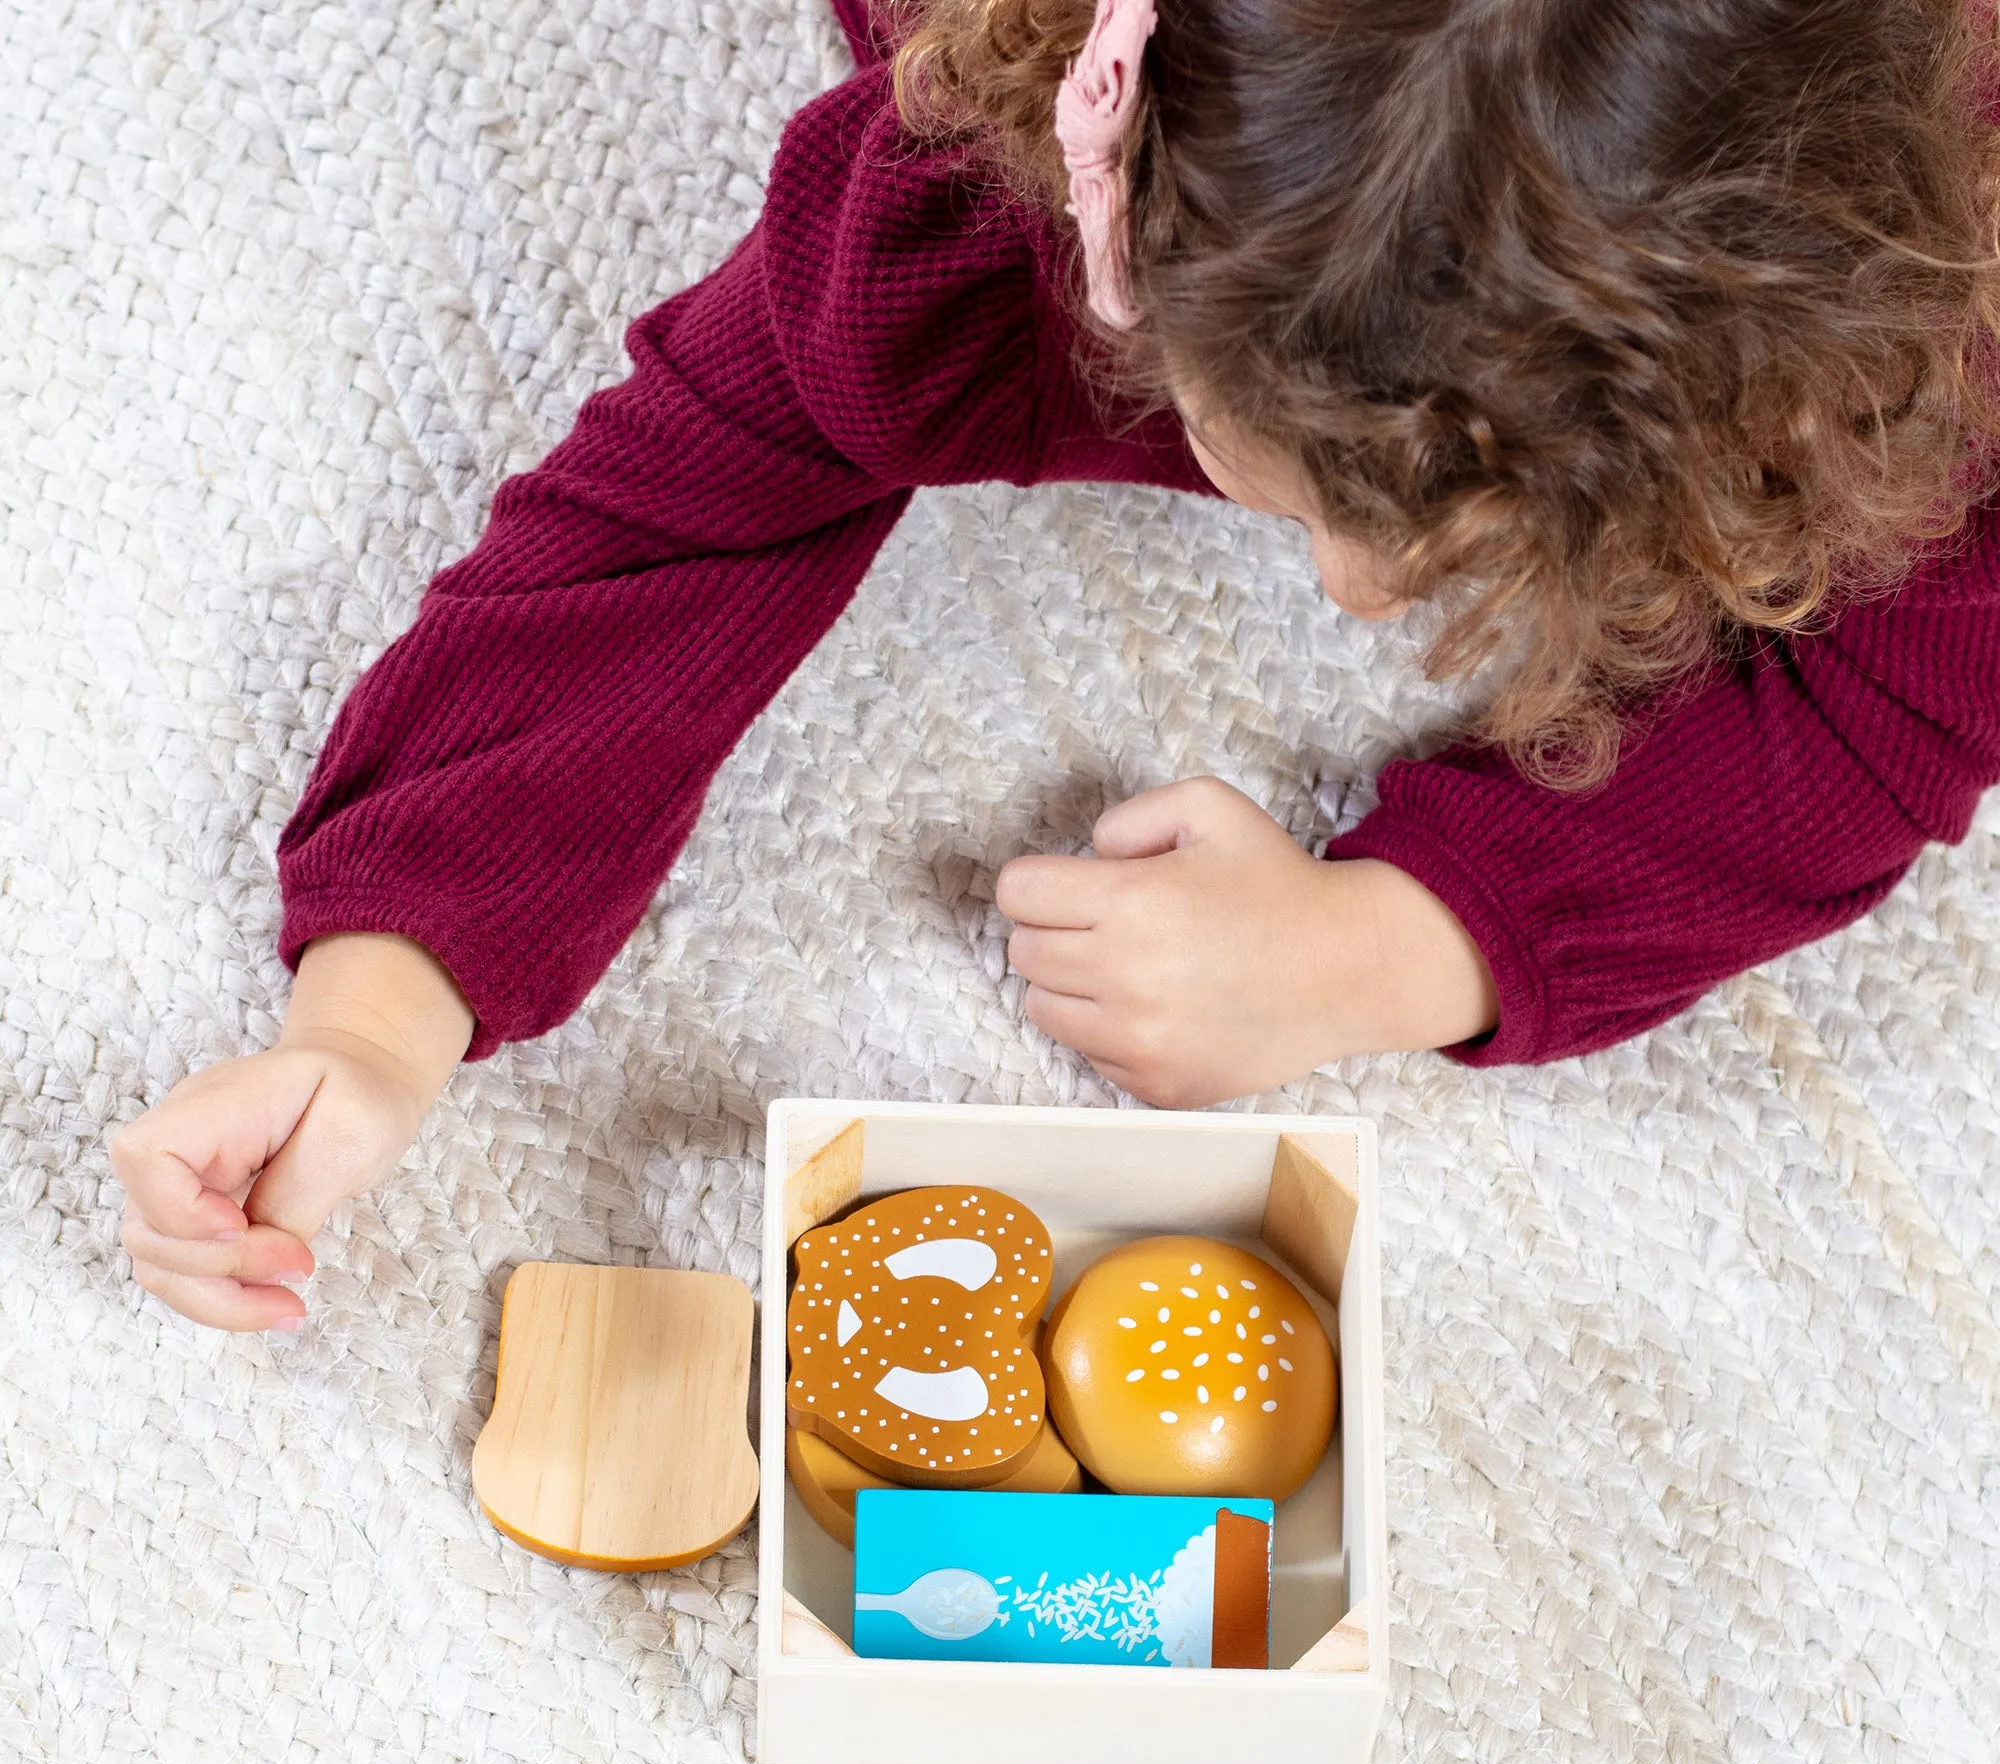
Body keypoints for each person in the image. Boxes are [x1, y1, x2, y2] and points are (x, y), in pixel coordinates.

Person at [110, 0, 2000, 1333]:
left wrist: (1396, 945)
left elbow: (1900, 699)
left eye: (1446, 543)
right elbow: (684, 496)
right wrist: (374, 1014)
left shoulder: (1919, 310)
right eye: (1302, 487)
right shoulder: (997, 177)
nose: (1351, 599)